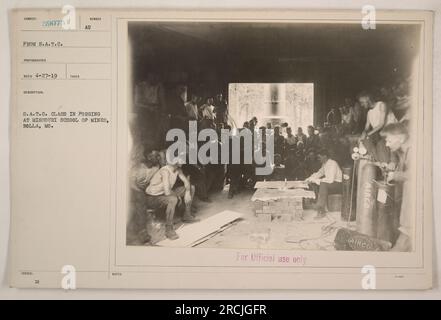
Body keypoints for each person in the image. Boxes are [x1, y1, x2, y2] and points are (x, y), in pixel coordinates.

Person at [145, 158, 199, 240]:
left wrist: (187, 191)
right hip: (153, 197)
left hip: (164, 194)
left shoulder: (178, 169)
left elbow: (186, 182)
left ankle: (186, 215)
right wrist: (178, 197)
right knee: (173, 199)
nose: (184, 161)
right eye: (182, 159)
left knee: (191, 187)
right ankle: (169, 229)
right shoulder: (165, 171)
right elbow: (167, 192)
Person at [382, 123, 412, 252]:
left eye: (389, 140)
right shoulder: (403, 149)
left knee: (407, 232)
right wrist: (393, 164)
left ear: (400, 138)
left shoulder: (414, 151)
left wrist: (395, 175)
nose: (387, 144)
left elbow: (417, 175)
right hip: (406, 200)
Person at [358, 91, 398, 162]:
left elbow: (381, 124)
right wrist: (363, 135)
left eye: (362, 102)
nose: (361, 105)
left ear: (367, 99)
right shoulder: (369, 113)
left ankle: (387, 161)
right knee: (364, 140)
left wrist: (367, 134)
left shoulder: (381, 105)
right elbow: (366, 127)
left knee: (374, 140)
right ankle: (378, 161)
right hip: (382, 133)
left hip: (393, 131)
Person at [306, 149, 342, 219]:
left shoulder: (332, 163)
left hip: (338, 185)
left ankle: (321, 211)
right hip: (331, 184)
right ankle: (318, 203)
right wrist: (309, 178)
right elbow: (319, 173)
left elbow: (330, 180)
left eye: (319, 157)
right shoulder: (325, 164)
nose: (318, 159)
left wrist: (316, 180)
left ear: (325, 156)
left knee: (323, 184)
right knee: (314, 182)